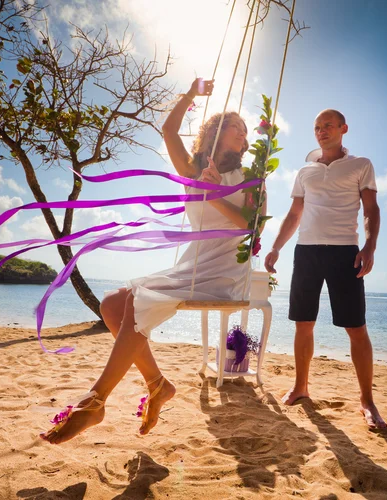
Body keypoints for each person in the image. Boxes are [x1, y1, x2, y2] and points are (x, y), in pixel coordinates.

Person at [41, 78, 263, 444]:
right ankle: (158, 384)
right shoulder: (193, 168)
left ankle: (95, 400)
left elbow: (248, 227)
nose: (242, 132)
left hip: (225, 270)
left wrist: (214, 195)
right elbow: (169, 129)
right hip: (192, 264)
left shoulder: (253, 178)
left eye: (245, 128)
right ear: (216, 133)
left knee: (135, 302)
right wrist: (191, 93)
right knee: (112, 304)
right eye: (234, 126)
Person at [264, 109, 387, 430]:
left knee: (356, 327)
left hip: (345, 253)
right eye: (317, 127)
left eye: (328, 126)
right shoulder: (305, 171)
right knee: (303, 324)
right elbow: (294, 214)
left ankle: (367, 400)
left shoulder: (361, 165)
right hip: (306, 253)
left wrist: (370, 246)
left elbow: (371, 209)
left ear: (343, 129)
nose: (321, 131)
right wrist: (277, 246)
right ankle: (301, 386)